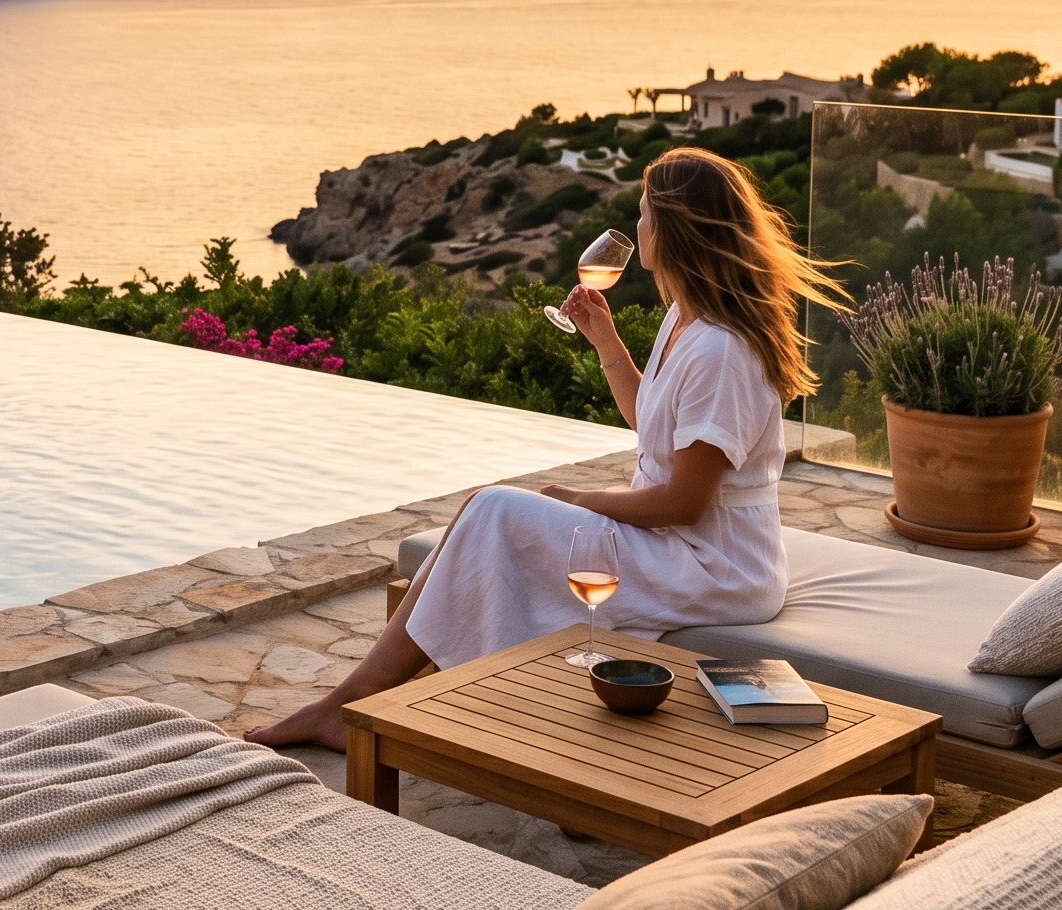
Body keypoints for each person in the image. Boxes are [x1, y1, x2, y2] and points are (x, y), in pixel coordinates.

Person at [245, 146, 843, 752]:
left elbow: (684, 503)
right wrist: (606, 340)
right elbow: (655, 430)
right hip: (675, 547)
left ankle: (355, 706)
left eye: (644, 214)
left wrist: (582, 500)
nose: (636, 229)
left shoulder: (721, 349)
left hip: (714, 567)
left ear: (675, 228)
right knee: (483, 523)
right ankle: (375, 701)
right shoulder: (685, 319)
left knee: (496, 512)